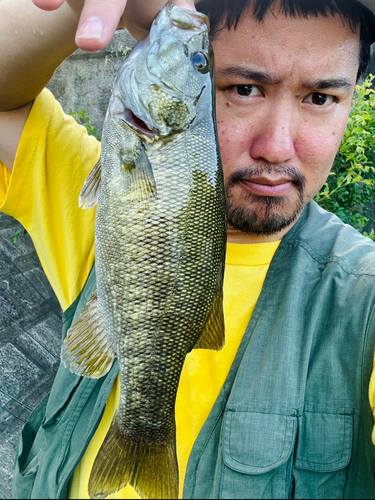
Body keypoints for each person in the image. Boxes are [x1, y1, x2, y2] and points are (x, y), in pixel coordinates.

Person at [1, 0, 375, 497]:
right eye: (243, 88)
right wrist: (75, 12)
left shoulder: (362, 297)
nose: (278, 147)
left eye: (321, 97)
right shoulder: (102, 204)